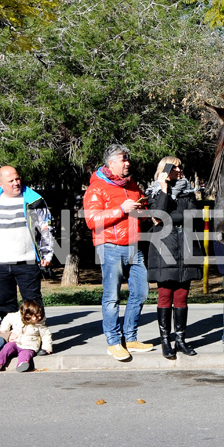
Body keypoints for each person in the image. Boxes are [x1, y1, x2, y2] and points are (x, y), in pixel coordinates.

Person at [82, 144, 153, 361]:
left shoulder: (131, 185)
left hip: (133, 245)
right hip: (110, 246)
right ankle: (113, 342)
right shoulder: (96, 189)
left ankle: (130, 337)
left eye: (128, 159)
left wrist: (142, 209)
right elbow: (92, 220)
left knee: (141, 292)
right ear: (111, 163)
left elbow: (141, 208)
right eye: (123, 159)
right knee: (112, 297)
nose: (127, 163)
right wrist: (122, 209)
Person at [0, 166, 53, 319]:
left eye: (17, 178)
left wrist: (47, 254)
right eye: (11, 181)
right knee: (5, 302)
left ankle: (35, 338)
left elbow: (45, 228)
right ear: (0, 184)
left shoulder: (33, 200)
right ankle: (11, 338)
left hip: (27, 261)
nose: (16, 183)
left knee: (33, 302)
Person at [146, 156, 202, 359]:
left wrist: (170, 218)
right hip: (164, 248)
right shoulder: (154, 192)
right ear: (165, 170)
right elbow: (159, 215)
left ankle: (180, 340)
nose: (179, 170)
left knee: (182, 296)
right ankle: (165, 341)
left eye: (180, 166)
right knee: (165, 295)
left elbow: (194, 216)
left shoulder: (188, 192)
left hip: (186, 247)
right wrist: (164, 189)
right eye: (174, 167)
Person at [0, 299, 52, 372]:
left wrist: (46, 348)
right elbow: (7, 318)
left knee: (26, 354)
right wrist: (4, 329)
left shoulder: (39, 325)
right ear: (28, 314)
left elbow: (46, 336)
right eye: (36, 316)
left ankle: (22, 364)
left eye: (40, 316)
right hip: (15, 341)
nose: (39, 318)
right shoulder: (17, 317)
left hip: (29, 345)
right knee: (6, 348)